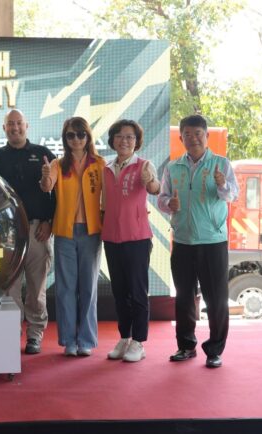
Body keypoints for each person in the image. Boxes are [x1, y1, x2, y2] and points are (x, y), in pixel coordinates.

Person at [157, 114, 239, 368]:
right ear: (181, 138)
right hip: (182, 241)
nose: (193, 139)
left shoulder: (221, 164)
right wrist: (169, 204)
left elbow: (232, 196)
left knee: (216, 299)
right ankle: (185, 346)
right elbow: (162, 199)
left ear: (207, 136)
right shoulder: (172, 167)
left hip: (213, 241)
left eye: (198, 134)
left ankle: (215, 350)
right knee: (184, 298)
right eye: (188, 135)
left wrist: (222, 184)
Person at [0, 109, 55, 354]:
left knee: (36, 289)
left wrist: (49, 221)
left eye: (19, 123)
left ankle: (35, 335)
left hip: (37, 230)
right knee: (9, 290)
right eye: (10, 124)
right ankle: (10, 334)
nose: (15, 128)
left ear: (27, 126)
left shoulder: (43, 154)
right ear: (4, 128)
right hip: (6, 233)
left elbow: (56, 191)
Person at [40, 117, 105, 357]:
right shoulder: (58, 164)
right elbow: (47, 186)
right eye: (70, 135)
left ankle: (86, 340)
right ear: (65, 139)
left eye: (80, 134)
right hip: (65, 232)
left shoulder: (99, 164)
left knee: (88, 287)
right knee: (66, 287)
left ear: (88, 137)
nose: (76, 139)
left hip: (91, 232)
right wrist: (45, 176)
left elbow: (110, 196)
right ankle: (68, 340)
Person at [102, 119, 160, 363]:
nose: (124, 140)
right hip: (111, 238)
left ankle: (139, 342)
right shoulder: (106, 168)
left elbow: (155, 188)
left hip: (137, 238)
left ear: (136, 142)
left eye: (129, 137)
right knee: (120, 292)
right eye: (119, 136)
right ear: (113, 140)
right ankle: (124, 337)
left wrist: (149, 181)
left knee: (137, 292)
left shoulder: (144, 165)